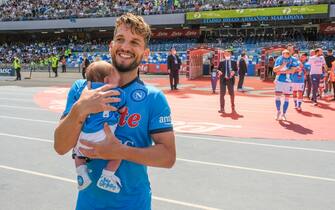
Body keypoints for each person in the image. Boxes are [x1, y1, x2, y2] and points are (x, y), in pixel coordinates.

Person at [54, 13, 176, 210]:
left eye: (135, 42)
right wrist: (81, 108)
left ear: (145, 53)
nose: (125, 47)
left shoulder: (153, 98)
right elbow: (60, 146)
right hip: (87, 205)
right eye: (120, 39)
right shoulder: (81, 88)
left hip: (134, 204)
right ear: (111, 46)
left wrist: (120, 151)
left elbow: (168, 157)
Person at [72, 61, 126, 193]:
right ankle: (107, 176)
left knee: (77, 152)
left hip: (83, 135)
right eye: (116, 77)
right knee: (119, 152)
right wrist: (122, 110)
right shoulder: (116, 92)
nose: (119, 79)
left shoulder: (83, 90)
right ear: (107, 80)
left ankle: (82, 175)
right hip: (102, 135)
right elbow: (122, 107)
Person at [273, 49, 299, 121]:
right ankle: (278, 112)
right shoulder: (279, 58)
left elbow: (292, 70)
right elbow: (275, 70)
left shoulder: (293, 59)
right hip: (279, 81)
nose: (286, 54)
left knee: (287, 98)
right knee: (277, 97)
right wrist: (283, 65)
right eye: (284, 53)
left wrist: (281, 72)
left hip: (289, 81)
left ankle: (284, 114)